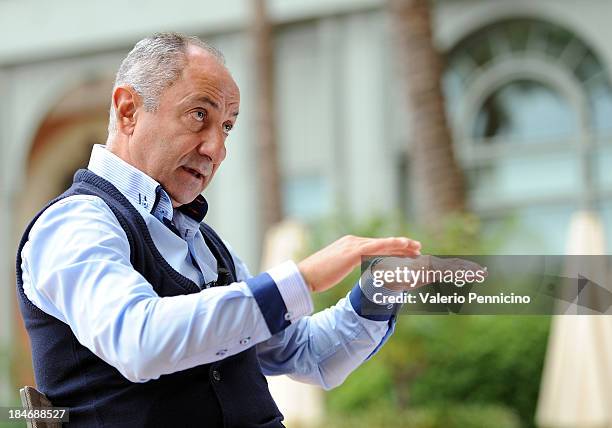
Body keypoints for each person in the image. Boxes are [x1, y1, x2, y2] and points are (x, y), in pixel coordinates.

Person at [16, 33, 422, 427]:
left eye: (226, 126)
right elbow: (139, 339)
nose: (217, 149)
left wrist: (377, 293)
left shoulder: (207, 244)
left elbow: (305, 354)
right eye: (199, 116)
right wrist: (303, 278)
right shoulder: (74, 224)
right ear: (127, 110)